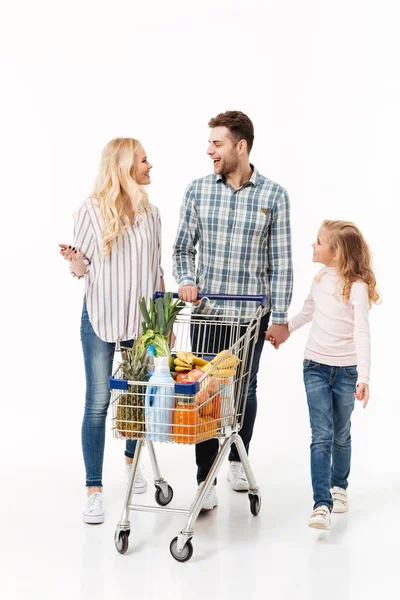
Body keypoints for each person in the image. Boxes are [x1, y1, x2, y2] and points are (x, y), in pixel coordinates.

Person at [172, 111, 293, 509]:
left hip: (250, 318)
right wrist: (187, 279)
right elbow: (181, 249)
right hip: (207, 314)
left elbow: (281, 262)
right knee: (205, 391)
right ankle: (206, 478)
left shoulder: (274, 196)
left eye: (217, 143)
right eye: (210, 143)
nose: (209, 150)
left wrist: (279, 318)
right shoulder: (197, 191)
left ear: (241, 146)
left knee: (244, 389)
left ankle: (239, 458)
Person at [59, 138, 165, 524]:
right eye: (143, 160)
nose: (150, 165)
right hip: (101, 318)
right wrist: (74, 262)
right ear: (123, 167)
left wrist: (161, 323)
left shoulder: (151, 214)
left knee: (138, 399)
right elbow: (82, 270)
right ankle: (94, 490)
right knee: (99, 402)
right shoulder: (90, 211)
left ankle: (131, 463)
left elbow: (156, 271)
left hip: (140, 322)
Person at [269, 220, 379, 530]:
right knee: (321, 434)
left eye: (318, 242)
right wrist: (284, 329)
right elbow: (307, 312)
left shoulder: (356, 288)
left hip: (346, 371)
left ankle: (339, 485)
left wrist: (364, 377)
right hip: (315, 366)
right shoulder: (319, 280)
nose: (312, 245)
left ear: (336, 251)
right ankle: (321, 504)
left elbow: (362, 331)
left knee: (341, 433)